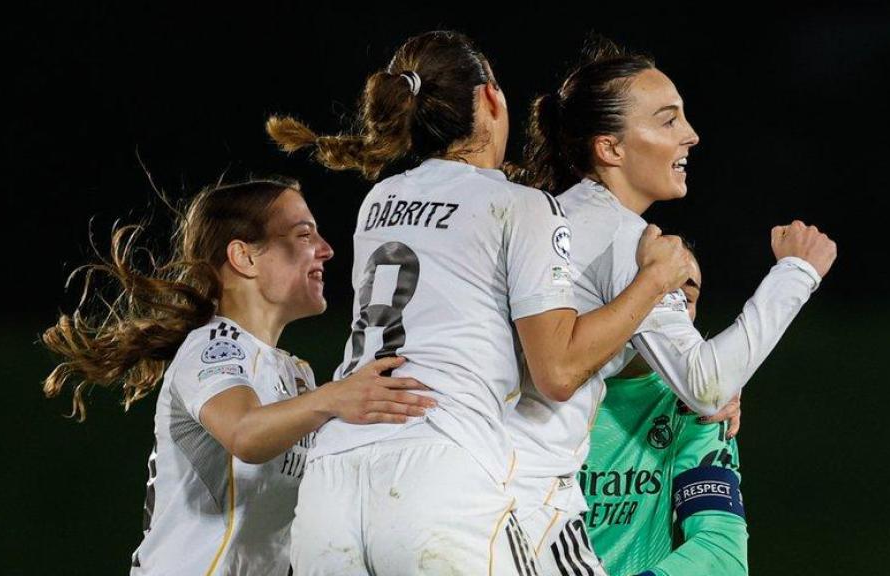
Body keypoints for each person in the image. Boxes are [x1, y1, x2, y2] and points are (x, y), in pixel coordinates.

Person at [266, 30, 692, 575]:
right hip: (439, 469)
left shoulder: (378, 201)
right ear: (490, 98)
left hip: (333, 477)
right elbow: (558, 370)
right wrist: (652, 281)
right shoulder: (524, 207)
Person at [509, 39, 836, 574]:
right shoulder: (624, 240)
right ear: (609, 149)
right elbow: (704, 383)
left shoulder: (543, 216)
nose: (691, 134)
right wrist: (796, 274)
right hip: (525, 499)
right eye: (667, 121)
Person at [41, 178, 435, 575]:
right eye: (303, 234)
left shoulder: (295, 374)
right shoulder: (212, 346)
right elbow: (245, 434)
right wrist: (334, 397)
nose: (326, 249)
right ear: (244, 257)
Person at [584, 248, 748, 576]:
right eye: (658, 292)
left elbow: (721, 555)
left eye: (684, 299)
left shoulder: (692, 408)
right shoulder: (532, 389)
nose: (670, 312)